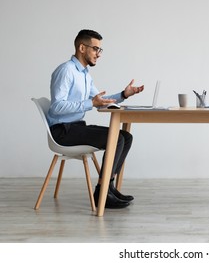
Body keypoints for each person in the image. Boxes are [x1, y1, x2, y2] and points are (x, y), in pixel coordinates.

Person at [47, 29, 144, 209]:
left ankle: (108, 186)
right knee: (117, 138)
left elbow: (99, 102)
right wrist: (89, 103)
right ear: (82, 47)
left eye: (100, 50)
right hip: (62, 131)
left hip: (76, 127)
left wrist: (124, 94)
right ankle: (102, 192)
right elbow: (56, 107)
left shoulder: (84, 74)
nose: (98, 54)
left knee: (126, 137)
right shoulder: (66, 71)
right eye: (95, 49)